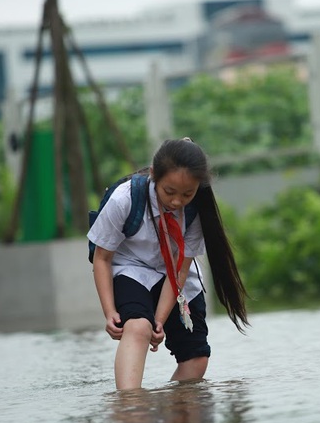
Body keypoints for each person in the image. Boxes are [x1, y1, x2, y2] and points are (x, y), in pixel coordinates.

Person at [88, 138, 250, 390]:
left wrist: (160, 320)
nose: (177, 202)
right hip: (131, 268)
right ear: (153, 175)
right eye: (169, 192)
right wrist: (110, 313)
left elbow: (180, 268)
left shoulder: (197, 210)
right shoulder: (124, 199)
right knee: (138, 327)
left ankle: (172, 413)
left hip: (174, 276)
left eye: (187, 194)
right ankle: (130, 410)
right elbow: (102, 258)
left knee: (196, 358)